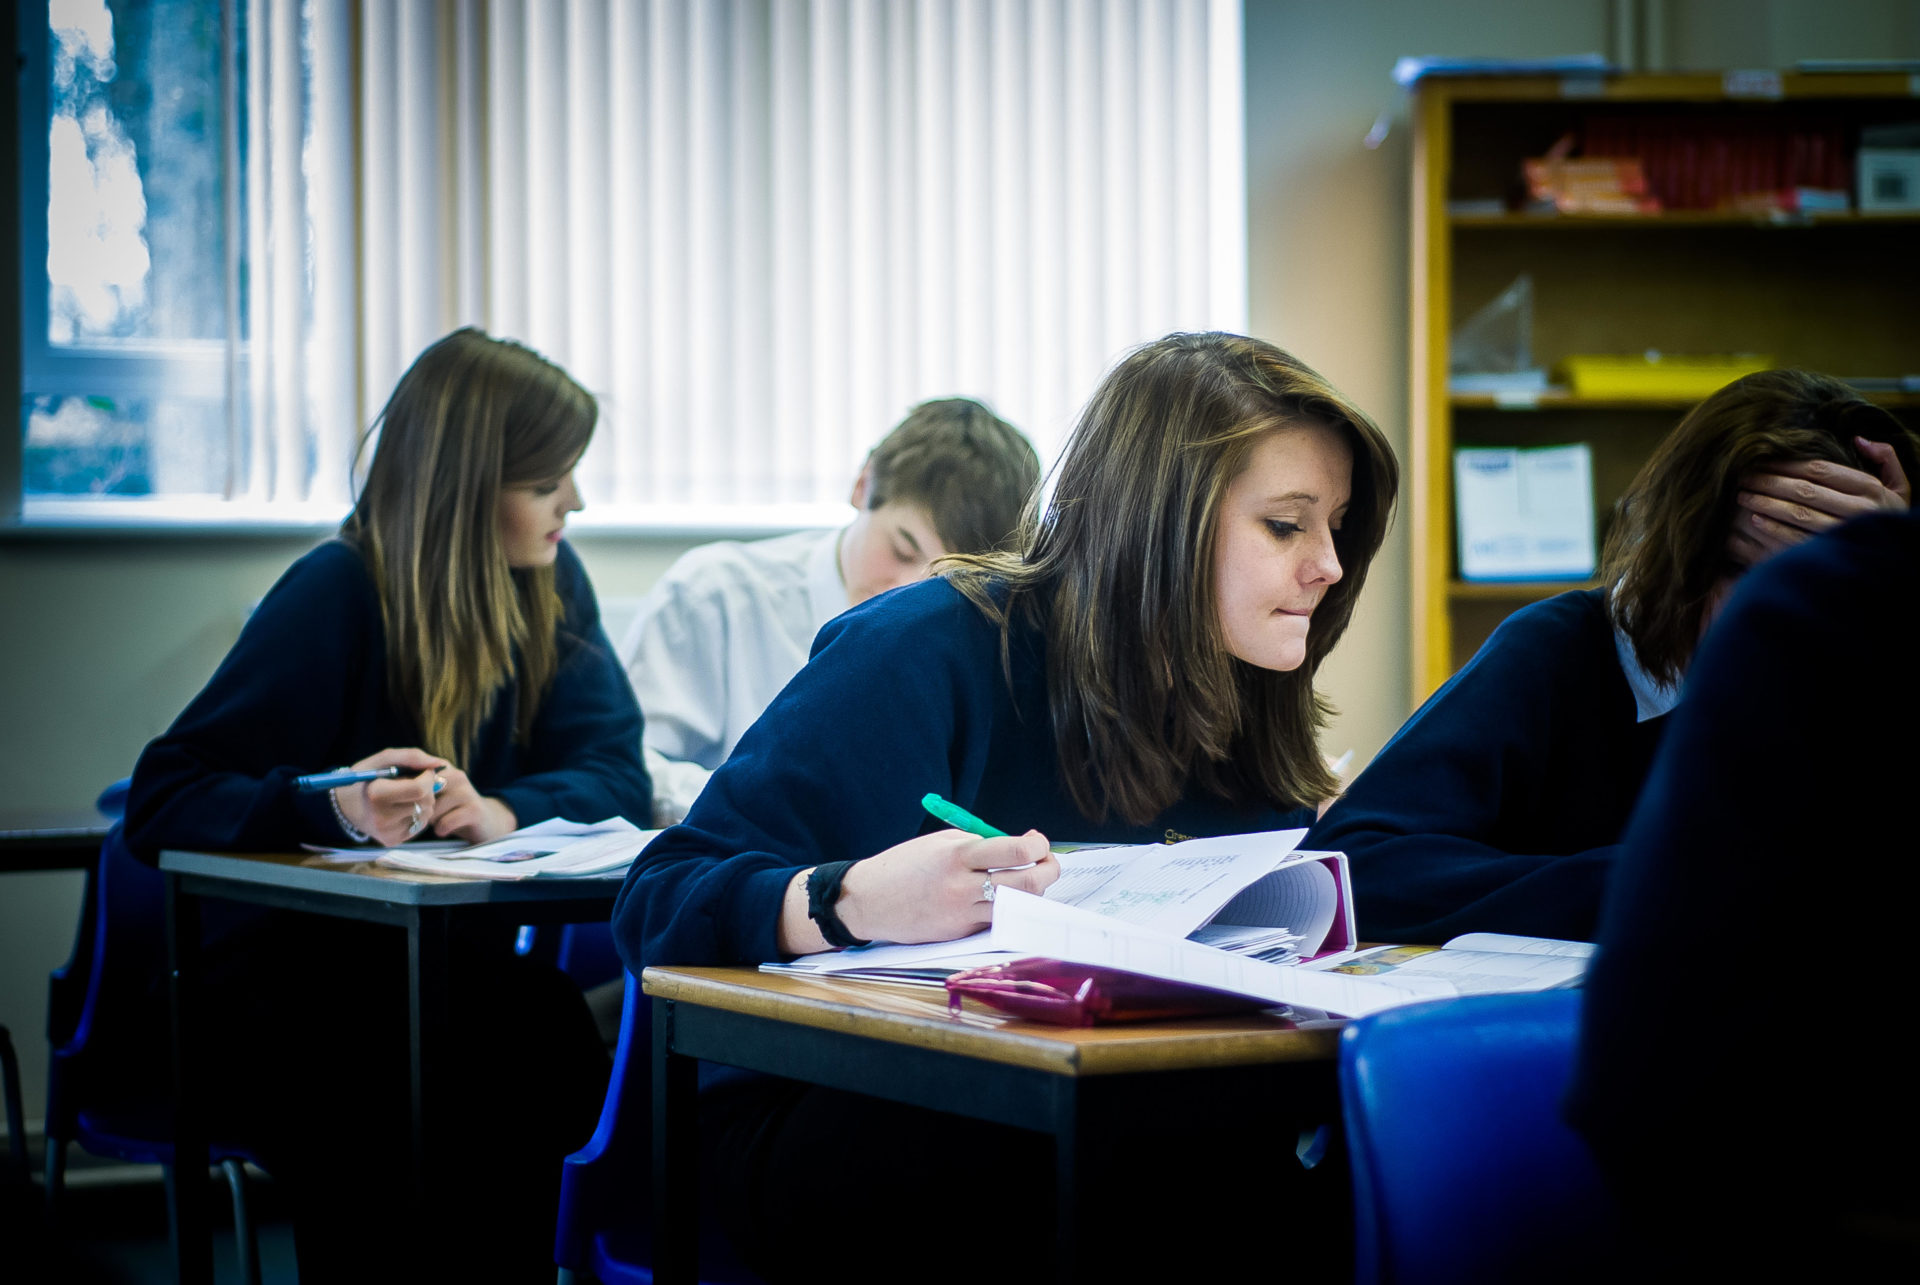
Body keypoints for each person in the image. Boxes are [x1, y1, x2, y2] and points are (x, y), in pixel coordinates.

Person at [612, 331, 1399, 1282]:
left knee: (1350, 1183)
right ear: (1161, 521)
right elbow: (656, 900)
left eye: (1337, 526)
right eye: (1287, 525)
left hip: (1099, 1105)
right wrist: (850, 898)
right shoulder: (920, 649)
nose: (1329, 564)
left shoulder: (1240, 698)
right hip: (835, 1104)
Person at [122, 328, 650, 1280]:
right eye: (547, 482)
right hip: (287, 991)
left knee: (546, 1033)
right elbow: (166, 793)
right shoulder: (337, 588)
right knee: (396, 1079)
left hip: (440, 978)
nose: (575, 502)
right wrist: (336, 808)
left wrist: (503, 812)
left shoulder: (551, 587)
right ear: (466, 491)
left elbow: (616, 768)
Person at [1309, 369, 1917, 944]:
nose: (1770, 619)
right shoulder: (1560, 649)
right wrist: (1664, 878)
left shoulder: (1863, 665)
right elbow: (1355, 866)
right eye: (1737, 571)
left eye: (1815, 587)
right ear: (1677, 554)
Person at [1566, 505, 1920, 1275]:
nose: (1327, 564)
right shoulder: (1572, 639)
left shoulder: (1842, 607)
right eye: (1739, 562)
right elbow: (1368, 854)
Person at [622, 397, 1040, 825]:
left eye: (946, 581)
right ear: (863, 484)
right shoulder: (715, 594)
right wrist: (761, 811)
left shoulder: (981, 639)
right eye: (901, 550)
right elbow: (629, 766)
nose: (913, 591)